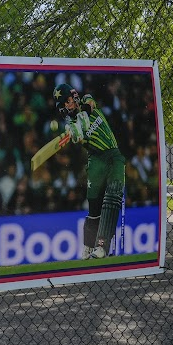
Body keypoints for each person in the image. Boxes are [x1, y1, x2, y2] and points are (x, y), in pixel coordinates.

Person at [53, 83, 126, 259]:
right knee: (94, 205)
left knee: (113, 196)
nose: (68, 106)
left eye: (68, 101)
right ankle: (88, 246)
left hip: (113, 154)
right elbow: (78, 138)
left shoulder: (86, 99)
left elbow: (90, 104)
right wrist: (75, 133)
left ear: (74, 97)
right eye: (65, 105)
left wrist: (82, 117)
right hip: (95, 160)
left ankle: (102, 245)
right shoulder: (70, 125)